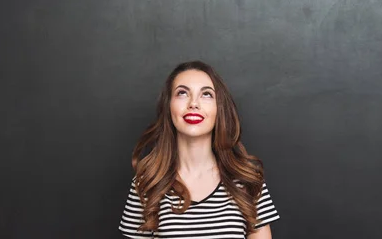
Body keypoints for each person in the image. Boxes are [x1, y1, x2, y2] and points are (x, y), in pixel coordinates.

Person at [118, 60, 280, 238]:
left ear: (219, 109)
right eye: (182, 93)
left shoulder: (247, 180)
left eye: (207, 94)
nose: (193, 103)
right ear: (168, 106)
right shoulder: (147, 182)